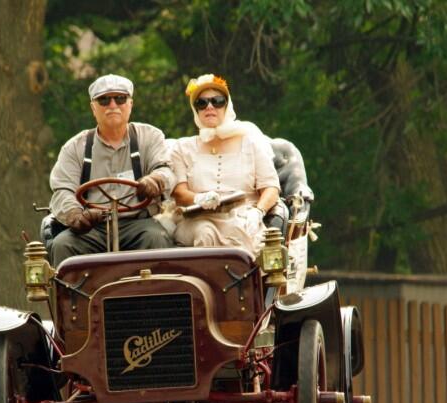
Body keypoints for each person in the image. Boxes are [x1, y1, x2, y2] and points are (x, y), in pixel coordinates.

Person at [48, 74, 175, 265]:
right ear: (93, 107)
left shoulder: (150, 137)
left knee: (157, 239)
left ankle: (155, 294)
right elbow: (62, 190)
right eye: (104, 100)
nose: (113, 105)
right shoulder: (75, 147)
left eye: (120, 98)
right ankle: (73, 295)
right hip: (92, 228)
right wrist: (76, 215)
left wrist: (155, 180)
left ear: (130, 104)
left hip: (138, 224)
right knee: (62, 244)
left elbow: (165, 170)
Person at [170, 74, 280, 256]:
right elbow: (179, 193)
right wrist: (199, 199)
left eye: (217, 101)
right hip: (196, 219)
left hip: (243, 218)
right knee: (205, 233)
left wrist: (258, 212)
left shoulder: (251, 141)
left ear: (227, 106)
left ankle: (247, 283)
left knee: (242, 234)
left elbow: (271, 188)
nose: (210, 107)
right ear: (195, 110)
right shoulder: (182, 148)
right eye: (202, 103)